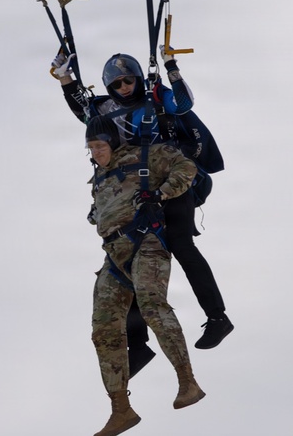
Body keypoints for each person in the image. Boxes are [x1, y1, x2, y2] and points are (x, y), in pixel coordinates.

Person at [53, 51, 233, 365]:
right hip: (140, 192)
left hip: (174, 180)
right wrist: (65, 78)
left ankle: (217, 318)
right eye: (117, 83)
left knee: (180, 245)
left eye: (128, 80)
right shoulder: (105, 109)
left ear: (137, 77)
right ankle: (137, 345)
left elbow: (185, 104)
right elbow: (82, 111)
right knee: (127, 258)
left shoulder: (156, 97)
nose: (124, 86)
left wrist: (171, 68)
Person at [85, 116, 204, 436]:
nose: (96, 152)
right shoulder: (98, 176)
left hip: (146, 244)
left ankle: (187, 382)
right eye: (91, 148)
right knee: (103, 328)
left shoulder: (145, 156)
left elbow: (186, 168)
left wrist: (162, 193)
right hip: (113, 257)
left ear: (112, 142)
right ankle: (120, 410)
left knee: (152, 305)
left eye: (100, 145)